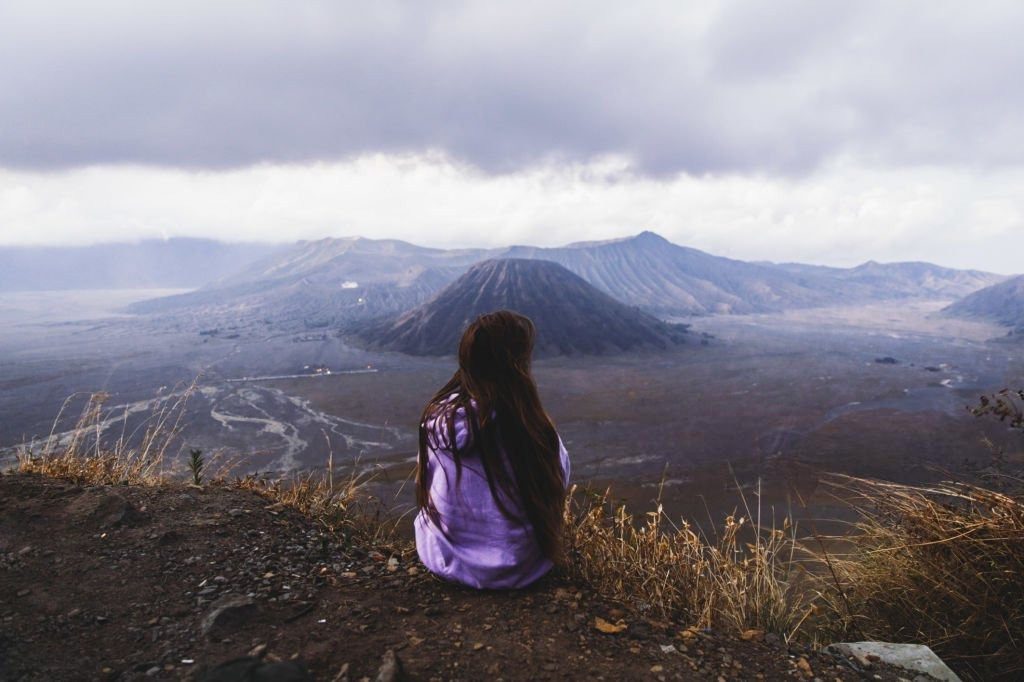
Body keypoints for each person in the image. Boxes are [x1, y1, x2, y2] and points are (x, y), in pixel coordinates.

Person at [413, 310, 571, 589]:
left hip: (446, 561)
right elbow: (558, 482)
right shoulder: (535, 430)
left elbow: (427, 484)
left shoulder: (438, 424)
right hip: (526, 567)